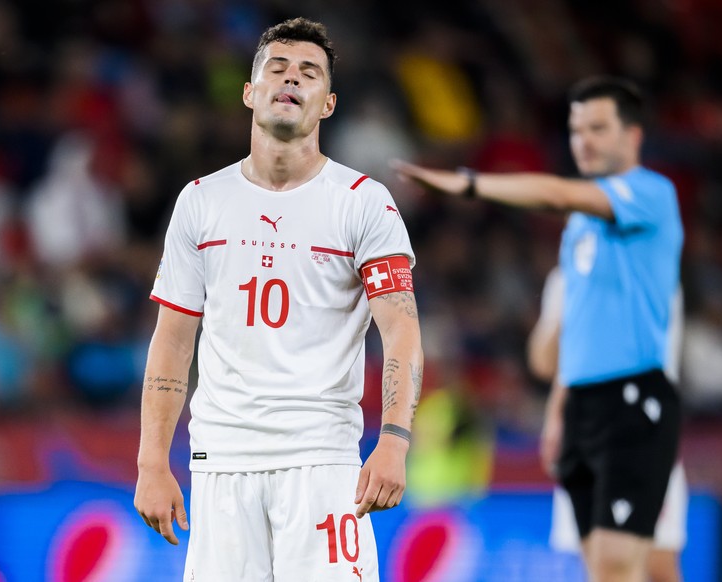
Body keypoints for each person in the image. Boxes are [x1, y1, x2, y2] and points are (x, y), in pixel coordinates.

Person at [134, 18, 423, 582]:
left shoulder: (364, 203)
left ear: (328, 103)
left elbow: (402, 331)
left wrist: (393, 440)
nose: (291, 80)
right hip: (221, 465)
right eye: (277, 68)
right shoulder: (200, 203)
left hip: (322, 464)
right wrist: (151, 460)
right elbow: (172, 339)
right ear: (250, 91)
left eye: (309, 73)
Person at [393, 76, 684, 582]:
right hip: (583, 411)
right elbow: (559, 354)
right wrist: (557, 414)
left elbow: (552, 192)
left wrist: (469, 184)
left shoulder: (649, 195)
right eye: (576, 130)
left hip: (632, 401)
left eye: (598, 128)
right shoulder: (579, 237)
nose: (584, 142)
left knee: (640, 565)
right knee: (605, 569)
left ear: (632, 136)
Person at [529, 266, 688, 582]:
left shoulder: (652, 268)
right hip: (584, 439)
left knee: (656, 566)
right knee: (599, 570)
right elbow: (544, 363)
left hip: (641, 436)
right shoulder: (565, 278)